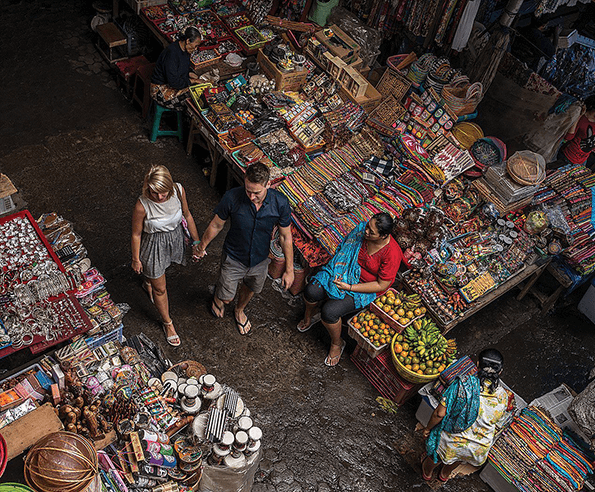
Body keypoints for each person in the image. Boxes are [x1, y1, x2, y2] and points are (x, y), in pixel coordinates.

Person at [194, 163, 294, 335]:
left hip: (260, 258)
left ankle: (239, 311)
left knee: (252, 287)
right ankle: (219, 296)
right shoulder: (232, 197)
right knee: (226, 297)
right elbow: (217, 225)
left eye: (257, 193)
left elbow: (285, 237)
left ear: (268, 185)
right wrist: (201, 246)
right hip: (234, 256)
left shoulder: (280, 203)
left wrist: (289, 270)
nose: (252, 197)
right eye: (248, 191)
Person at [297, 213, 405, 367]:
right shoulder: (360, 230)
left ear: (383, 236)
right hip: (344, 272)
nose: (366, 231)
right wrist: (339, 271)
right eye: (368, 226)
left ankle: (337, 343)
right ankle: (309, 315)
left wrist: (350, 287)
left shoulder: (392, 253)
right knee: (311, 290)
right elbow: (343, 251)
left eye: (371, 232)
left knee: (330, 312)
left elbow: (382, 285)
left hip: (364, 288)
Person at [131, 165, 201, 347]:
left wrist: (196, 242)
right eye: (155, 193)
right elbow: (136, 234)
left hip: (174, 237)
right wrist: (136, 259)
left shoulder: (178, 190)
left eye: (163, 193)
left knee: (158, 274)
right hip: (153, 244)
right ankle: (168, 323)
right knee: (160, 288)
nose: (160, 197)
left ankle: (148, 283)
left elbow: (187, 214)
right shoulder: (142, 204)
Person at [420, 349, 514, 483]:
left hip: (452, 442)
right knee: (460, 457)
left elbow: (439, 413)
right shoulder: (503, 396)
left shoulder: (463, 385)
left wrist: (427, 429)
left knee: (437, 456)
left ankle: (427, 472)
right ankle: (444, 474)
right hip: (478, 448)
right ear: (500, 371)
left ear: (477, 365)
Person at [150, 26, 203, 111]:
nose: (196, 49)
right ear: (188, 41)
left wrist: (193, 75)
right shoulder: (172, 54)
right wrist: (193, 81)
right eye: (195, 46)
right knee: (193, 99)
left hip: (172, 83)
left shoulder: (186, 51)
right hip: (160, 90)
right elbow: (173, 82)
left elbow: (183, 68)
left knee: (199, 90)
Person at [557, 95, 595, 168]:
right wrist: (579, 117)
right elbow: (568, 137)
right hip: (568, 157)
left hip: (582, 161)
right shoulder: (582, 118)